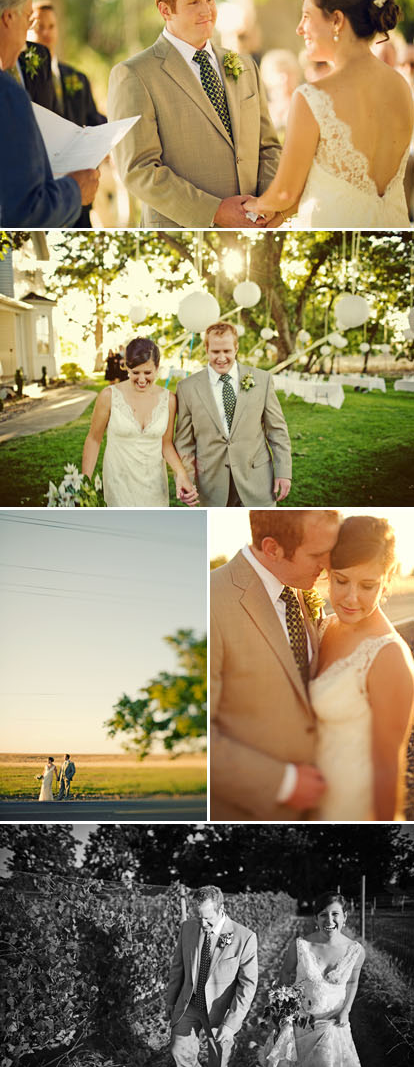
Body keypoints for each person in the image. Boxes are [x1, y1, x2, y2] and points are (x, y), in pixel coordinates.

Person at [107, 0, 280, 227]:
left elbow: (268, 146)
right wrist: (214, 211)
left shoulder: (246, 65)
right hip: (181, 231)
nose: (207, 10)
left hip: (257, 228)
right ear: (165, 10)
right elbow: (138, 170)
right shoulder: (133, 75)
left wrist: (268, 204)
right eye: (193, 2)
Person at [242, 0, 412, 228]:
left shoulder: (312, 97)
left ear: (337, 20)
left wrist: (254, 206)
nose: (300, 29)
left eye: (307, 16)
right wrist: (286, 213)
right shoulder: (401, 85)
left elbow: (285, 193)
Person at [210, 508, 340, 820]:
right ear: (272, 548)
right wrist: (283, 783)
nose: (328, 566)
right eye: (318, 554)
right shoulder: (210, 601)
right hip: (249, 813)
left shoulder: (298, 587)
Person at [311, 516, 414, 820]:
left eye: (367, 585)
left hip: (352, 809)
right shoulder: (324, 627)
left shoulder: (389, 656)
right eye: (341, 580)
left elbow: (387, 769)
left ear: (388, 577)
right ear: (328, 571)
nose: (351, 598)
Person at [0, 0, 99, 227]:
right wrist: (75, 190)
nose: (27, 38)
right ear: (8, 18)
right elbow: (26, 213)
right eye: (28, 20)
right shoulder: (9, 94)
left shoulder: (74, 76)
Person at [175, 318, 291, 505]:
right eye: (215, 351)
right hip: (211, 485)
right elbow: (184, 442)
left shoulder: (262, 380)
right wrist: (186, 478)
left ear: (236, 348)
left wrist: (284, 472)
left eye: (227, 351)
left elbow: (277, 430)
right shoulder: (187, 388)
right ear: (206, 350)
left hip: (257, 480)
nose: (221, 358)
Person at [259, 892, 364, 1067]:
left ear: (345, 917)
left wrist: (347, 1009)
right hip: (301, 1023)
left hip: (332, 1025)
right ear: (316, 918)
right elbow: (285, 974)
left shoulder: (355, 951)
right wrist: (283, 1010)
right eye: (323, 914)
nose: (330, 920)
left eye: (335, 914)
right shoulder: (300, 946)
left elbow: (352, 981)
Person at [82, 335, 199, 507]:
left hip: (154, 486)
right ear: (126, 367)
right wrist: (84, 484)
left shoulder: (169, 400)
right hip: (118, 482)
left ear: (157, 368)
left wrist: (181, 474)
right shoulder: (109, 396)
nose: (142, 379)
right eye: (135, 373)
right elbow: (94, 439)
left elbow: (166, 444)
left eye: (148, 372)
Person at [166, 883, 258, 1067]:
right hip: (190, 1002)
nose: (203, 923)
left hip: (220, 1011)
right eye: (199, 918)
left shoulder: (244, 937)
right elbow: (177, 967)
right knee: (178, 1049)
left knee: (220, 1064)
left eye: (208, 918)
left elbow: (248, 986)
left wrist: (232, 1023)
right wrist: (171, 1001)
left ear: (221, 908)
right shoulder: (188, 928)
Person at [28, 1, 106, 128]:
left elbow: (93, 119)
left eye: (51, 26)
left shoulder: (79, 77)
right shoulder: (24, 77)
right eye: (40, 27)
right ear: (28, 30)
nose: (46, 33)